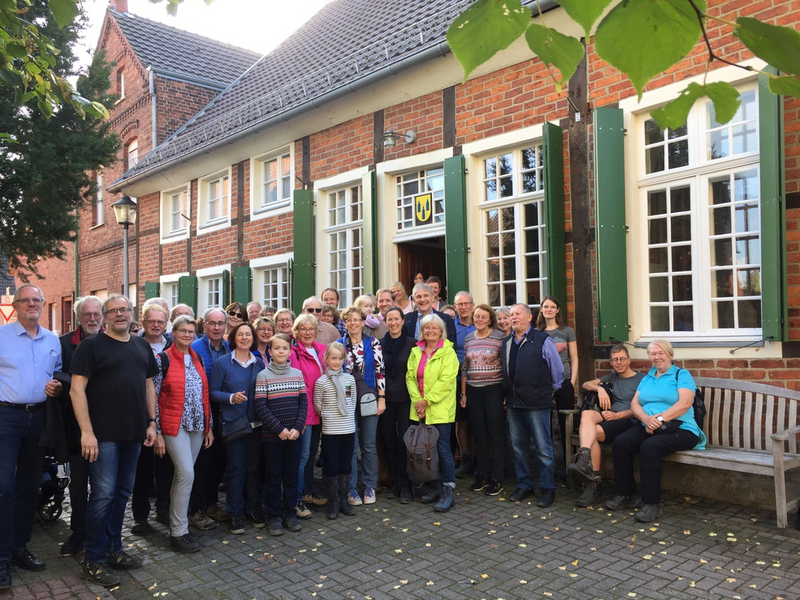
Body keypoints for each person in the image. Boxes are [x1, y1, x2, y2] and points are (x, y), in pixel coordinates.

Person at [70, 294, 158, 587]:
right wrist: (87, 432)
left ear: (132, 314)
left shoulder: (141, 345)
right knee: (102, 496)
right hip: (102, 437)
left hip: (134, 434)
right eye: (113, 311)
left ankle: (113, 550)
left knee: (121, 494)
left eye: (125, 310)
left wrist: (151, 423)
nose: (120, 314)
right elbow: (76, 391)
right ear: (105, 317)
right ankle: (93, 561)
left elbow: (148, 386)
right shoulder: (90, 346)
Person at [0, 284, 62, 590]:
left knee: (29, 486)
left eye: (37, 299)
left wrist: (57, 386)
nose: (32, 304)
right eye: (26, 300)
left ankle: (19, 548)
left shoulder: (52, 340)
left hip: (39, 417)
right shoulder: (1, 337)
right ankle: (1, 556)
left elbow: (58, 374)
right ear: (15, 305)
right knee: (2, 486)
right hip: (6, 417)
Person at [606, 340, 706, 522]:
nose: (657, 357)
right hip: (651, 424)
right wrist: (646, 420)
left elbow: (684, 404)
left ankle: (651, 504)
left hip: (681, 427)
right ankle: (626, 494)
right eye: (653, 354)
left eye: (661, 353)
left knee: (649, 447)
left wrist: (659, 419)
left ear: (670, 355)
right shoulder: (648, 377)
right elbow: (635, 404)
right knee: (622, 442)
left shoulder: (681, 375)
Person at [154, 316, 213, 553]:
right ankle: (178, 531)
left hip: (197, 425)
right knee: (186, 473)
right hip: (173, 424)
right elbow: (154, 397)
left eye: (191, 331)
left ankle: (179, 522)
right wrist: (156, 431)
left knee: (185, 476)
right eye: (183, 331)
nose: (188, 335)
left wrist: (209, 428)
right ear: (174, 332)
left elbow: (204, 394)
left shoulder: (197, 358)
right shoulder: (163, 359)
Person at [501, 303, 564, 508]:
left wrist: (548, 390)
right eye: (511, 315)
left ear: (529, 317)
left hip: (537, 403)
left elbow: (557, 371)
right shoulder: (507, 342)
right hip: (514, 404)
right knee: (518, 448)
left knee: (543, 448)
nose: (513, 317)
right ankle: (525, 486)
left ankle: (548, 489)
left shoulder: (543, 340)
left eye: (517, 314)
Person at [568, 345, 645, 507]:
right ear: (611, 362)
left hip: (627, 420)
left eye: (622, 359)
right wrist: (600, 389)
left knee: (591, 433)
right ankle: (584, 459)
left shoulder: (641, 380)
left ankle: (593, 485)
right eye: (615, 360)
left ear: (629, 360)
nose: (619, 363)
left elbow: (642, 408)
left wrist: (618, 415)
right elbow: (585, 385)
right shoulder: (611, 378)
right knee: (587, 414)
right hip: (609, 417)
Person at [209, 322, 266, 534]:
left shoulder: (258, 363)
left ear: (253, 338)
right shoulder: (223, 363)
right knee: (236, 469)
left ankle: (252, 508)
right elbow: (213, 392)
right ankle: (235, 514)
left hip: (257, 424)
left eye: (248, 334)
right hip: (233, 425)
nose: (245, 338)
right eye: (240, 334)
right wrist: (231, 398)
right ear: (234, 338)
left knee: (253, 469)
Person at [57, 295, 103, 557]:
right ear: (78, 318)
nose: (93, 319)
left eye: (97, 314)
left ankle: (100, 531)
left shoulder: (113, 341)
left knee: (103, 484)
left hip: (107, 426)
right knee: (79, 481)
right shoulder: (64, 344)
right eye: (88, 315)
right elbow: (58, 375)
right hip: (76, 427)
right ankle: (78, 531)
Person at [254, 333, 307, 536]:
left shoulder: (297, 374)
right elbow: (261, 406)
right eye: (276, 348)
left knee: (291, 475)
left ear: (290, 350)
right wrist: (279, 430)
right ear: (270, 351)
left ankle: (289, 512)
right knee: (273, 477)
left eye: (285, 348)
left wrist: (297, 427)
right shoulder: (263, 376)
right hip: (272, 436)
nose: (281, 352)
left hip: (294, 435)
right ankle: (273, 516)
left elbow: (303, 403)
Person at [406, 314, 459, 512]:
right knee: (428, 449)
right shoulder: (415, 351)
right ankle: (435, 486)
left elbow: (446, 381)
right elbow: (410, 377)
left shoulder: (448, 352)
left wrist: (426, 401)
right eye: (427, 328)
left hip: (440, 408)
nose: (430, 331)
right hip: (419, 408)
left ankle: (448, 489)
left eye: (434, 328)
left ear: (441, 331)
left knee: (443, 448)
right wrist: (418, 402)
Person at [131, 302, 174, 535]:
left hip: (168, 414)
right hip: (141, 417)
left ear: (166, 323)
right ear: (144, 322)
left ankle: (164, 510)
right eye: (152, 321)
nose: (156, 325)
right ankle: (140, 517)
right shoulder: (133, 344)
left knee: (166, 466)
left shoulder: (174, 345)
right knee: (143, 469)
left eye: (160, 321)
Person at [339, 306, 386, 506]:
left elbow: (380, 371)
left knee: (368, 445)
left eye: (356, 319)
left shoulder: (373, 343)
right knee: (350, 446)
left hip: (369, 398)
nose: (353, 323)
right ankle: (351, 488)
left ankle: (369, 485)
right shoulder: (338, 345)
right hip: (347, 401)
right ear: (345, 323)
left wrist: (381, 398)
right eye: (349, 320)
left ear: (363, 322)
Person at [188, 308, 230, 530]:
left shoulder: (229, 348)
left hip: (224, 408)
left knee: (219, 460)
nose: (216, 328)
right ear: (204, 325)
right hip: (201, 409)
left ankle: (211, 504)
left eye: (220, 323)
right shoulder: (194, 348)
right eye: (212, 323)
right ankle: (196, 509)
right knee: (201, 462)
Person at [460, 304, 506, 496]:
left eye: (484, 317)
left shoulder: (499, 337)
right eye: (477, 316)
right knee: (478, 434)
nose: (479, 319)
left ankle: (497, 478)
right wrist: (463, 394)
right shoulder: (468, 338)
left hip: (494, 390)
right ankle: (482, 475)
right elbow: (464, 367)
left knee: (495, 435)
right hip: (473, 391)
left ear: (490, 319)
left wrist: (505, 394)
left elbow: (506, 366)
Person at [313, 342, 357, 519]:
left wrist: (345, 416)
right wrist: (329, 415)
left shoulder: (349, 379)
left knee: (345, 463)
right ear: (326, 359)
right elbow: (317, 405)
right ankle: (333, 500)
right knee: (331, 465)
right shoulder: (321, 382)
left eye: (340, 358)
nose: (337, 362)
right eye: (333, 358)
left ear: (344, 359)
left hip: (347, 428)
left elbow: (351, 401)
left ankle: (343, 499)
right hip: (330, 429)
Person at [290, 314, 328, 517]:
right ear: (295, 332)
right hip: (304, 412)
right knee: (302, 457)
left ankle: (307, 492)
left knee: (312, 454)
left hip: (321, 411)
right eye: (303, 329)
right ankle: (295, 500)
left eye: (311, 328)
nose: (307, 332)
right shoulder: (293, 353)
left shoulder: (323, 351)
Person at [536, 296, 579, 474]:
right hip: (543, 384)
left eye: (553, 307)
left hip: (565, 381)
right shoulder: (536, 332)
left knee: (565, 424)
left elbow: (575, 358)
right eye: (546, 307)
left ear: (558, 310)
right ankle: (548, 467)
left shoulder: (567, 331)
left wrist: (572, 382)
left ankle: (571, 464)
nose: (549, 310)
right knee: (543, 424)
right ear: (541, 309)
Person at [379, 307, 416, 503]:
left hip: (406, 399)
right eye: (389, 319)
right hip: (385, 399)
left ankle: (405, 485)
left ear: (403, 321)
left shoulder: (412, 344)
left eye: (396, 319)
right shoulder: (380, 344)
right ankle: (393, 482)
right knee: (388, 441)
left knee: (404, 442)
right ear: (386, 322)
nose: (393, 322)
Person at [452, 291, 476, 479]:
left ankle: (480, 458)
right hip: (458, 380)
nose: (463, 307)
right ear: (455, 307)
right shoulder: (451, 328)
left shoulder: (481, 324)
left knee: (478, 421)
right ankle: (465, 457)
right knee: (461, 420)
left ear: (473, 305)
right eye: (460, 304)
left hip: (481, 379)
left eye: (467, 303)